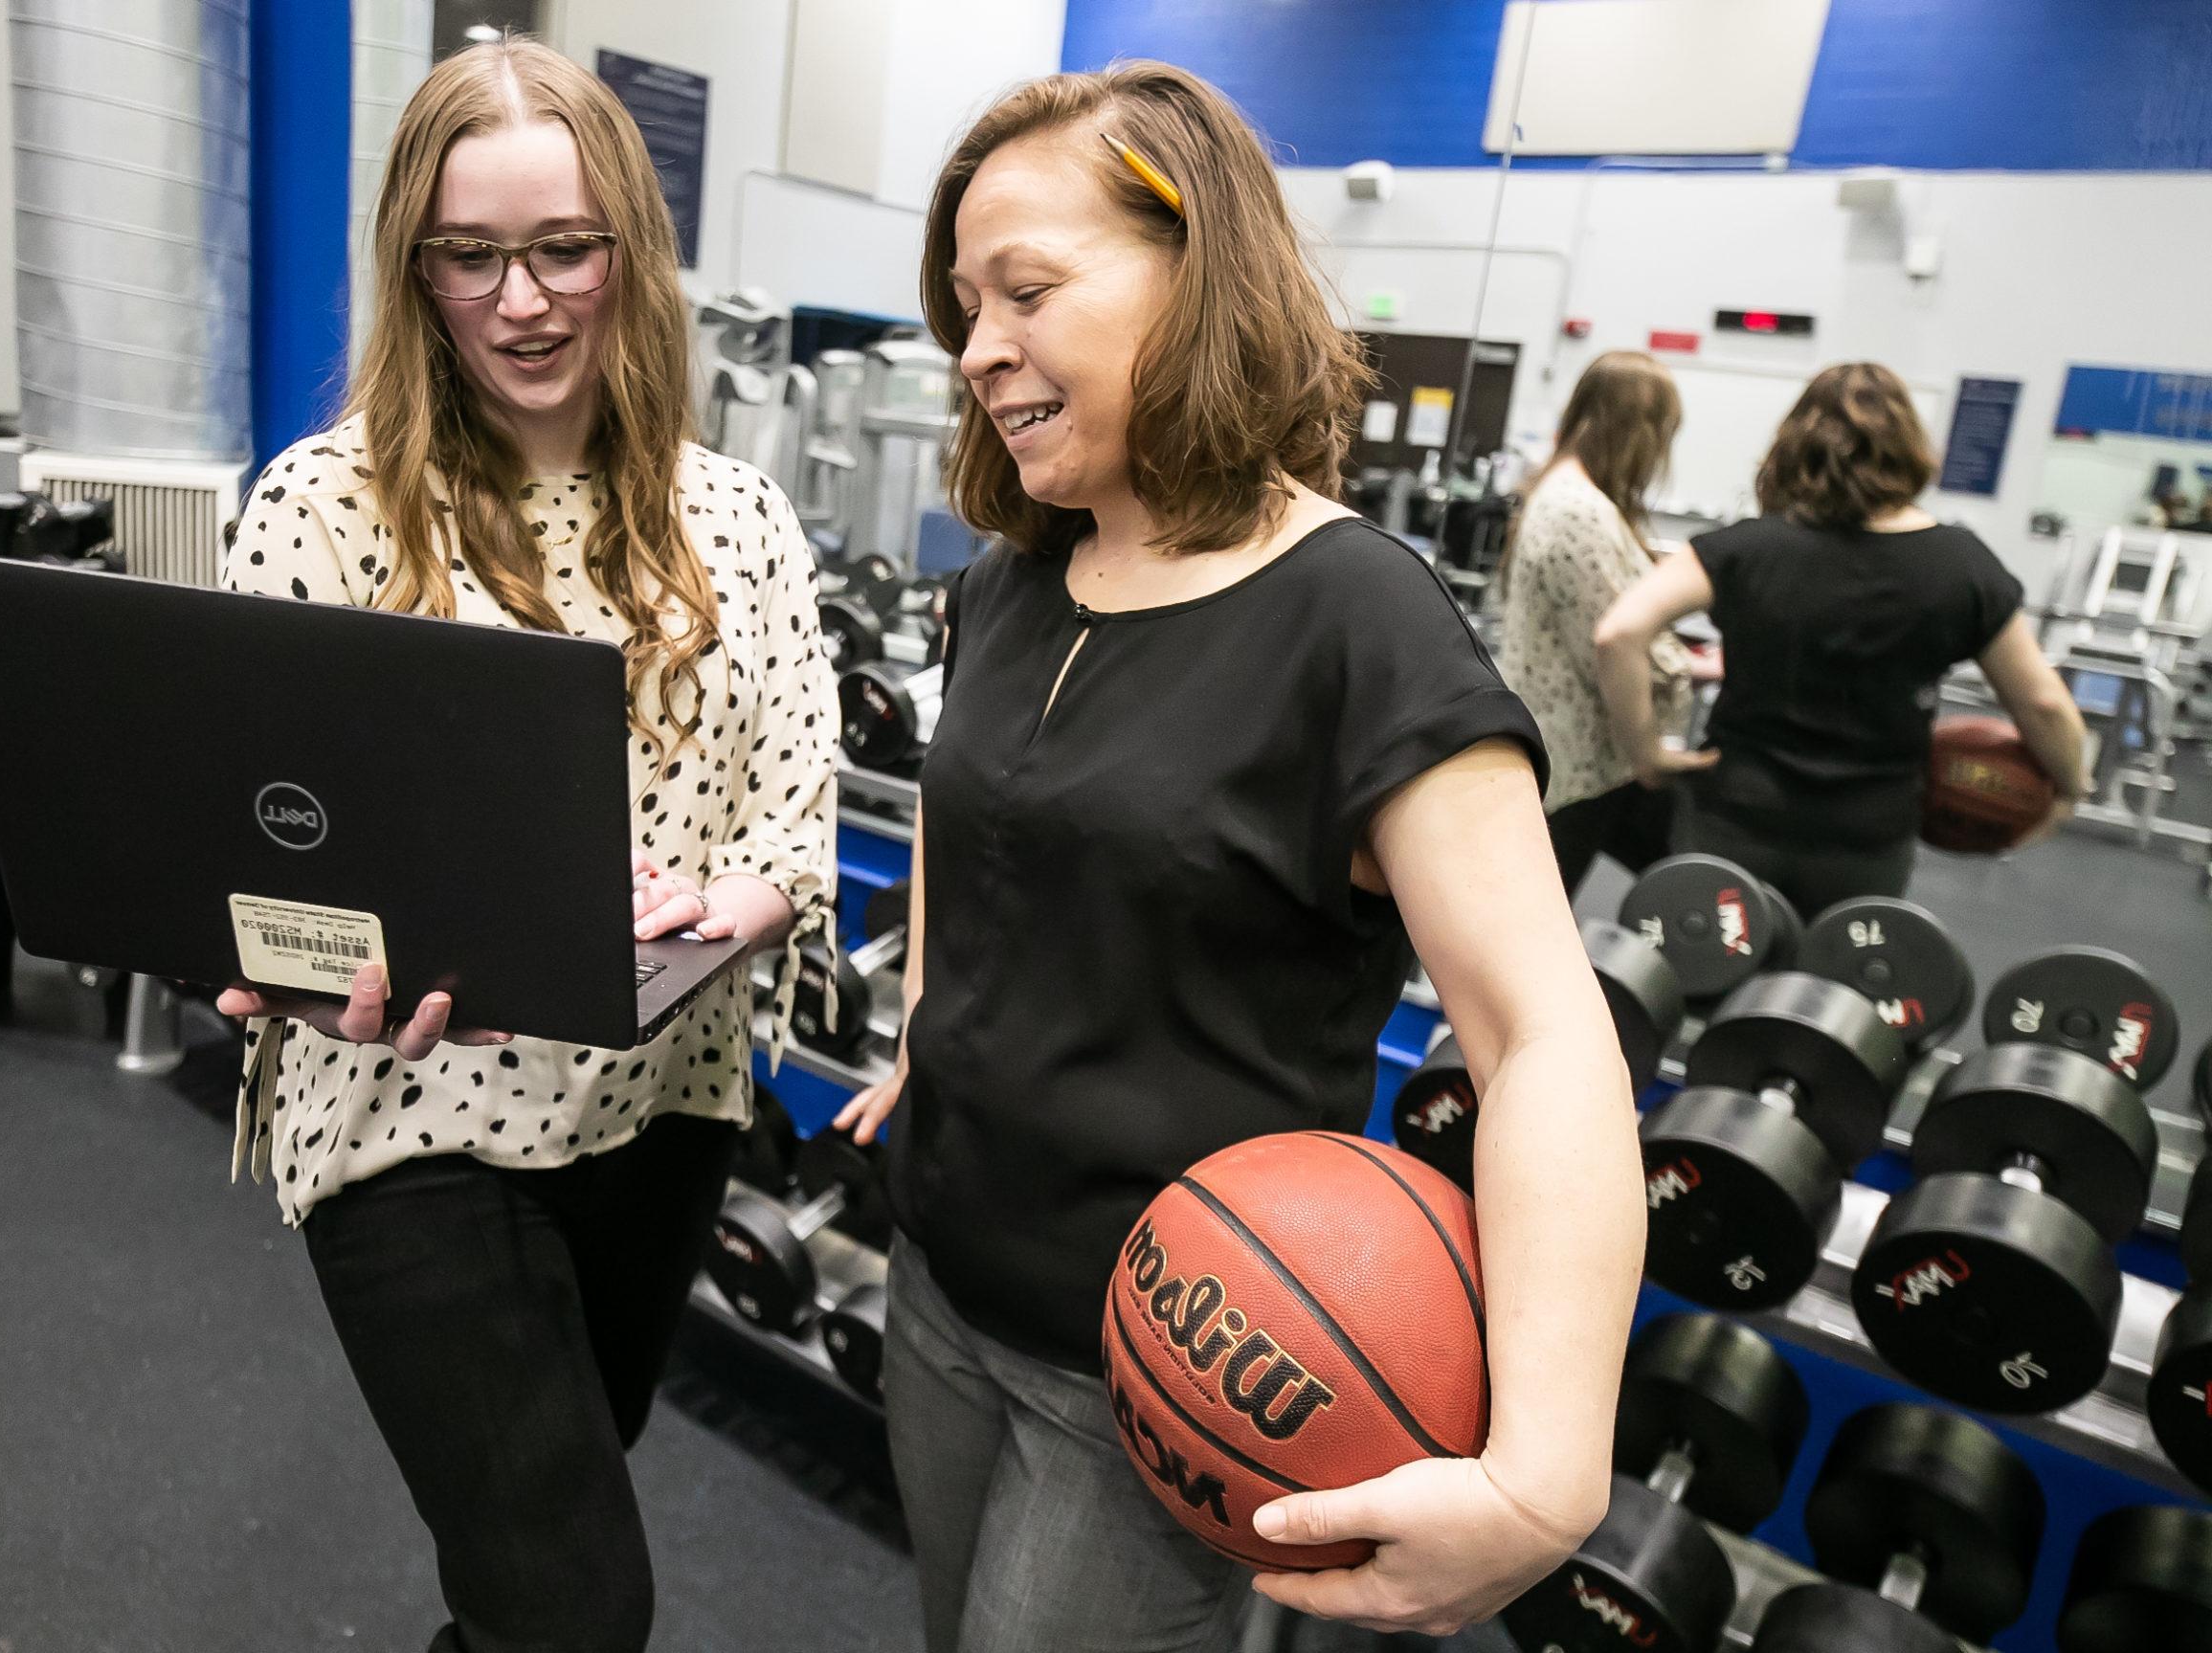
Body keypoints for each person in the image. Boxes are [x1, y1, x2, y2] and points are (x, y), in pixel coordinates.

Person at [833, 62, 1642, 1651]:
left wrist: (1552, 1472)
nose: (978, 345)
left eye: (1027, 289)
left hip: (1161, 1364)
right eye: (963, 305)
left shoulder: (1357, 618)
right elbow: (960, 811)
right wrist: (931, 1031)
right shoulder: (1010, 581)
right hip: (936, 1279)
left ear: (1194, 267)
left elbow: (1544, 1037)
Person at [212, 40, 835, 1653]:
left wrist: (740, 899)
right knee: (575, 1601)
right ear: (414, 271)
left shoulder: (741, 519)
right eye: (469, 257)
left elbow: (799, 805)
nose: (523, 300)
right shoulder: (324, 509)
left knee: (525, 1564)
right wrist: (288, 962)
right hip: (406, 1109)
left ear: (628, 245)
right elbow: (258, 839)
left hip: (658, 1106)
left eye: (564, 248)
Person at [1594, 361, 2088, 918]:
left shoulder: (1745, 549)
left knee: (1708, 978)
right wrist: (2068, 787)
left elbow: (1619, 633)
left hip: (1736, 818)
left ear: (1795, 445)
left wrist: (1646, 754)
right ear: (1908, 448)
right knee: (1829, 998)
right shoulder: (1962, 565)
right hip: (1867, 837)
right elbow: (2043, 703)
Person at [1495, 350, 1699, 895]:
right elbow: (1613, 647)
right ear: (1638, 432)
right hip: (1575, 771)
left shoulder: (1565, 494)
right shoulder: (1577, 510)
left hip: (1584, 766)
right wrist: (1650, 754)